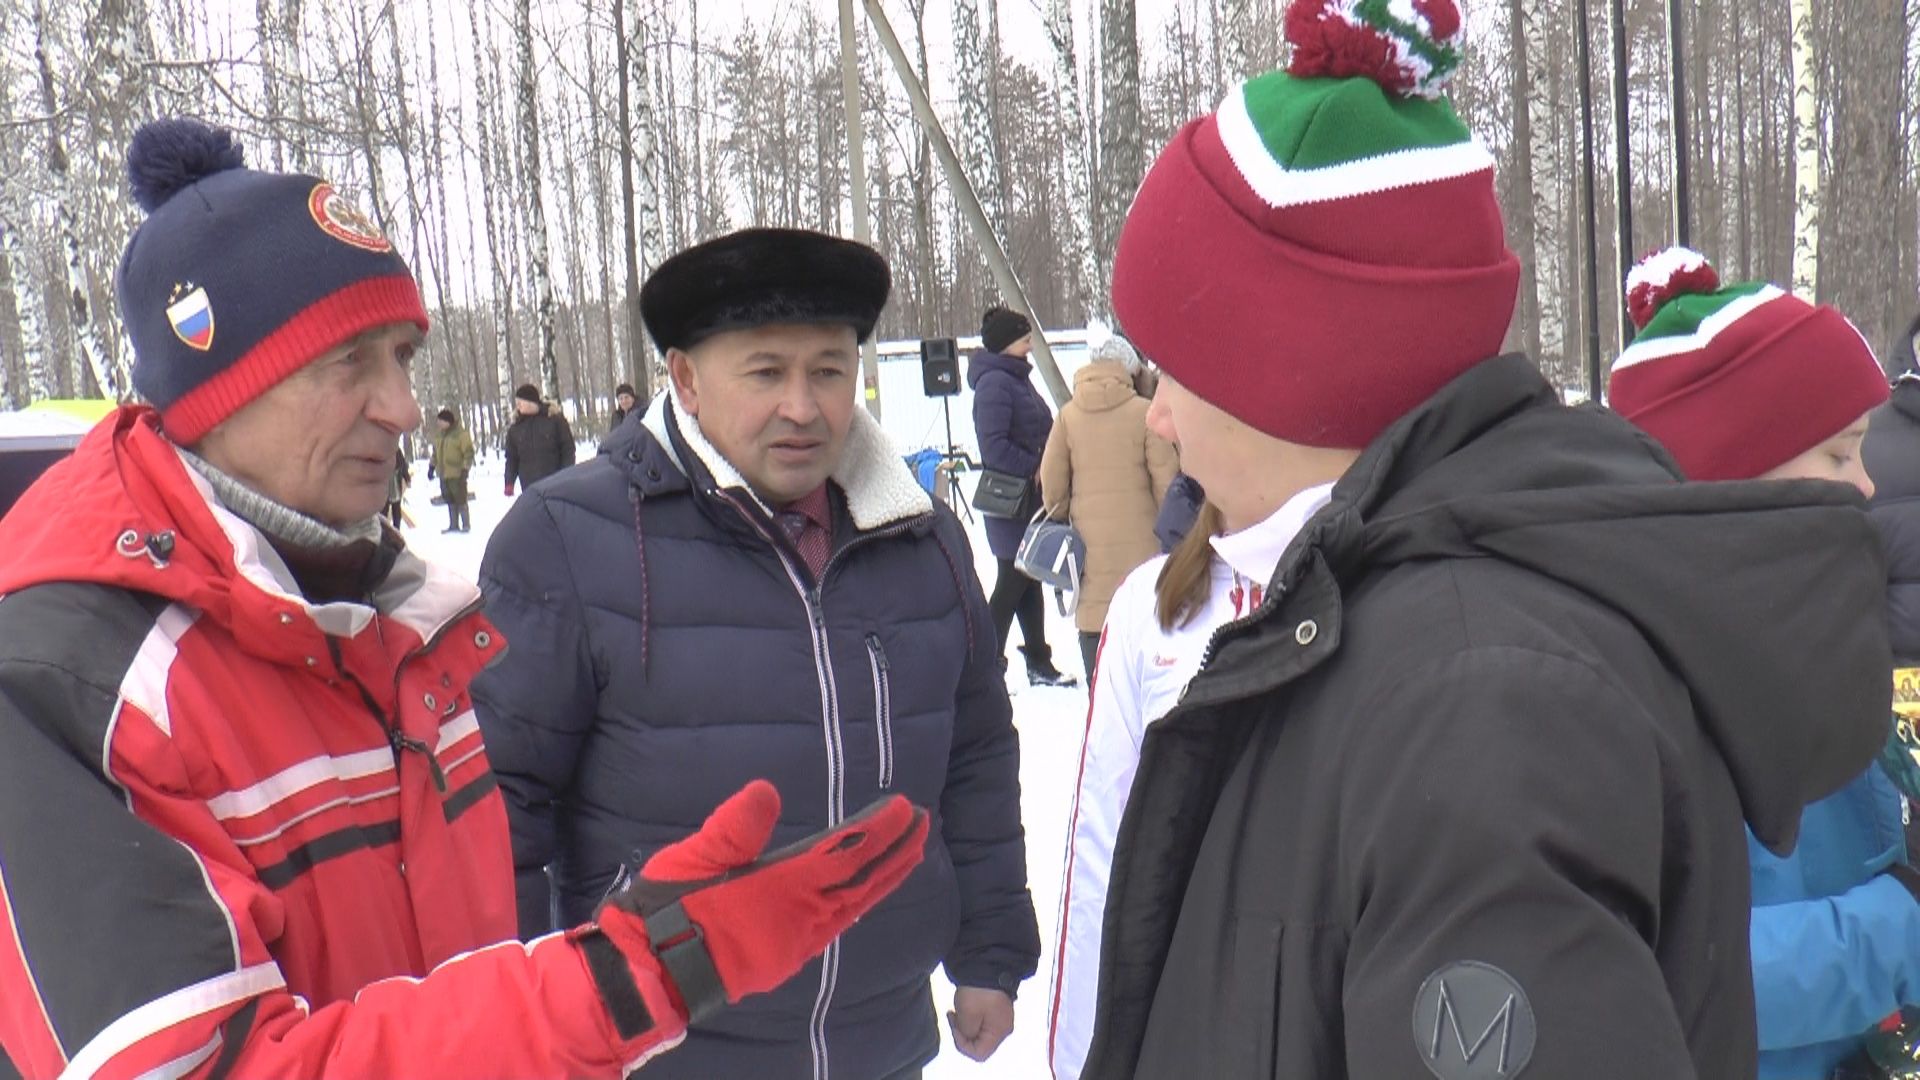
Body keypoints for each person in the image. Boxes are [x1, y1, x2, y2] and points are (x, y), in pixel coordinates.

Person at [0, 120, 928, 1080]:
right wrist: (619, 983)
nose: (402, 407)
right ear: (220, 388)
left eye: (402, 357)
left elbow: (451, 980)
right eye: (348, 361)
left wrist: (615, 952)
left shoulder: (398, 636)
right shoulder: (71, 683)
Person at [1077, 5, 1891, 1078]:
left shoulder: (1474, 701)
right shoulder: (1376, 633)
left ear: (1295, 377)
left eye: (1177, 368)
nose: (1159, 417)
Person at [472, 226, 1040, 1080]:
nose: (803, 407)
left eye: (828, 369)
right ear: (687, 379)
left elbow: (975, 754)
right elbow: (498, 806)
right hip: (662, 1047)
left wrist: (990, 950)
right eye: (766, 371)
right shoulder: (569, 539)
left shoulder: (921, 539)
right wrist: (518, 1025)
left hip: (880, 1040)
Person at [1610, 250, 1919, 1078]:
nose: (1863, 486)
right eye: (1835, 455)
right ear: (1732, 473)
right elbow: (1686, 965)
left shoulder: (1801, 630)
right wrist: (1904, 924)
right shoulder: (1657, 674)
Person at [1037, 333, 1178, 677]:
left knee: (1099, 661)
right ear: (1129, 370)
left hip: (1090, 556)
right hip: (1145, 555)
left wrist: (1063, 514)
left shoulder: (1068, 417)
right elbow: (1168, 486)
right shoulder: (1144, 414)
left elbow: (1052, 488)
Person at [969, 304, 1076, 687]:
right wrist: (1036, 467)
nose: (1030, 343)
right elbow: (993, 447)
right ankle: (982, 668)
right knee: (1012, 584)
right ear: (1006, 343)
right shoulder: (996, 384)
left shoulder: (1014, 377)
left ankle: (1038, 663)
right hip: (1011, 502)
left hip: (1027, 502)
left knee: (1028, 580)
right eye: (1024, 337)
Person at [504, 383, 574, 494]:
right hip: (529, 488)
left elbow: (568, 449)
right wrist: (509, 482)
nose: (517, 406)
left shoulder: (554, 420)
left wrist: (566, 474)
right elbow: (512, 458)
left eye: (520, 402)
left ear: (530, 402)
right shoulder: (515, 428)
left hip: (556, 484)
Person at [428, 407, 475, 533]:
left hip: (457, 473)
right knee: (449, 499)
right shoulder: (439, 436)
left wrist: (465, 470)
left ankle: (466, 524)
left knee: (461, 498)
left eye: (440, 421)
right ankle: (453, 525)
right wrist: (432, 467)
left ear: (447, 421)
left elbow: (468, 453)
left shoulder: (461, 434)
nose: (438, 424)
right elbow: (435, 453)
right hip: (444, 474)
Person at [385, 444, 411, 527]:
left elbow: (402, 464)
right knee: (384, 510)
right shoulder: (377, 448)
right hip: (383, 482)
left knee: (395, 508)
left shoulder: (395, 448)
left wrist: (407, 478)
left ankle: (396, 529)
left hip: (394, 480)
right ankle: (385, 532)